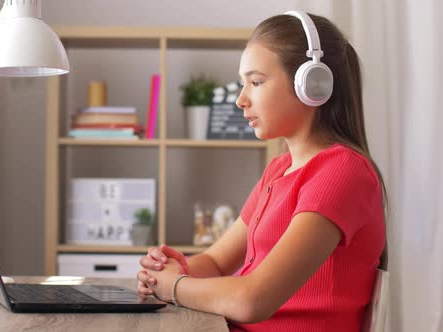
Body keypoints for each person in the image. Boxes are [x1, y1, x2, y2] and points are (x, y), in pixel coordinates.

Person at [136, 10, 387, 332]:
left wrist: (173, 286)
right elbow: (216, 262)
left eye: (256, 82)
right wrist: (168, 270)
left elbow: (252, 301)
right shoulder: (279, 169)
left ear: (313, 84)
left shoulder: (342, 173)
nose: (241, 100)